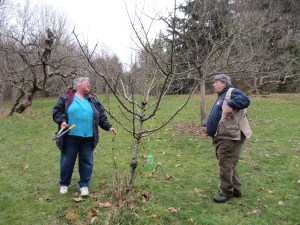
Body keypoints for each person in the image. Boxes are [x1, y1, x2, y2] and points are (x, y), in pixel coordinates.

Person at [52, 77, 116, 196]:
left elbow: (101, 115)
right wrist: (62, 121)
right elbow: (57, 111)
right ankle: (64, 184)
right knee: (67, 161)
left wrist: (108, 126)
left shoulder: (92, 99)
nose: (89, 85)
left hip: (88, 136)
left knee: (87, 161)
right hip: (70, 136)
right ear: (78, 84)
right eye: (87, 83)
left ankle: (84, 185)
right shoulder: (66, 98)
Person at [206, 74, 252, 203]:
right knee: (229, 163)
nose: (213, 85)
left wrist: (232, 104)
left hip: (230, 136)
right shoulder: (222, 95)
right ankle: (236, 190)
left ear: (224, 83)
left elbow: (245, 99)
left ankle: (226, 192)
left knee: (226, 163)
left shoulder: (232, 92)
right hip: (223, 135)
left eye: (216, 82)